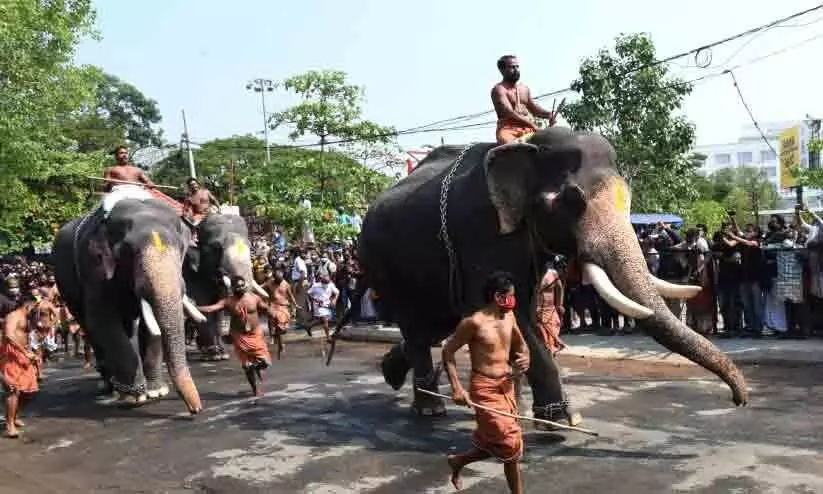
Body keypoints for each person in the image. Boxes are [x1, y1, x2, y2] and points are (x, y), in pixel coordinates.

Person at [441, 271, 530, 493]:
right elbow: (448, 352)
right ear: (497, 296)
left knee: (500, 441)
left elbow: (521, 346)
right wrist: (457, 388)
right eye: (510, 296)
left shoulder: (509, 317)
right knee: (509, 441)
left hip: (506, 387)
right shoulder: (474, 322)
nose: (513, 300)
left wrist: (523, 360)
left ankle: (459, 460)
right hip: (484, 389)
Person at [197, 276, 279, 396]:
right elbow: (211, 309)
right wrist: (195, 308)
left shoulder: (254, 298)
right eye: (238, 286)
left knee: (266, 362)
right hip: (240, 336)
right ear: (233, 288)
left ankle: (257, 367)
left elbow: (266, 308)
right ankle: (255, 388)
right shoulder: (228, 301)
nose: (241, 288)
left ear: (245, 285)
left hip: (255, 334)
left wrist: (275, 315)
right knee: (247, 366)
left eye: (242, 285)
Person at [1, 295, 56, 438]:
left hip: (24, 354)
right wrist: (25, 352)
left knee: (29, 391)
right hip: (12, 356)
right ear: (27, 305)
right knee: (13, 390)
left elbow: (33, 332)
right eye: (34, 306)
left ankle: (15, 415)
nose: (35, 309)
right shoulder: (13, 316)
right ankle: (9, 424)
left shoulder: (27, 317)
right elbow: (8, 336)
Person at [491, 55, 557, 145]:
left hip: (528, 129)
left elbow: (534, 109)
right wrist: (533, 125)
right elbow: (510, 113)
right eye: (512, 67)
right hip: (508, 130)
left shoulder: (524, 89)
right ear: (502, 70)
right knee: (510, 146)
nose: (516, 69)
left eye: (517, 66)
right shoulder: (499, 90)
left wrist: (548, 114)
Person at [100, 145, 157, 217]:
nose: (124, 155)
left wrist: (150, 184)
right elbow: (105, 188)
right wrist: (108, 183)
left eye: (126, 153)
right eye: (121, 153)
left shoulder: (137, 170)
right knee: (107, 207)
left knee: (154, 205)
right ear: (116, 156)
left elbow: (148, 181)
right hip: (119, 191)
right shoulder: (110, 169)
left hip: (137, 191)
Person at [533, 258, 566, 355]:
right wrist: (536, 307)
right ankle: (549, 351)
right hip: (539, 309)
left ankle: (552, 349)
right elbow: (535, 293)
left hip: (551, 308)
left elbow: (560, 287)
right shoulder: (535, 275)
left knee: (554, 327)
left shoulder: (553, 274)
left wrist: (559, 304)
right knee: (544, 333)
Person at [263, 270, 298, 359]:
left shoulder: (285, 284)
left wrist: (295, 304)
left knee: (282, 328)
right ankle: (278, 342)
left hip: (283, 306)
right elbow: (260, 290)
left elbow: (290, 295)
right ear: (274, 278)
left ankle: (278, 339)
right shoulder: (269, 283)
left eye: (281, 279)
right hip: (273, 306)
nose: (280, 281)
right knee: (276, 325)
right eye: (278, 279)